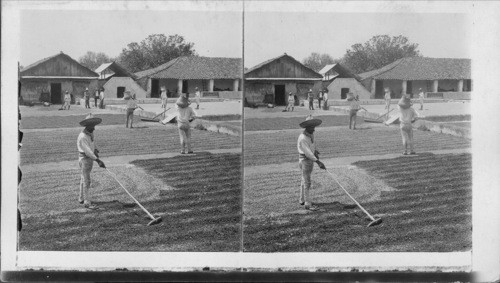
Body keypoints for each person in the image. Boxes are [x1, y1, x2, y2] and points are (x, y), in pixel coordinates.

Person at [77, 113, 106, 209]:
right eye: (92, 126)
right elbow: (88, 151)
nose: (94, 128)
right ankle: (86, 202)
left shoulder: (90, 133)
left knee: (83, 178)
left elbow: (93, 144)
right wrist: (98, 161)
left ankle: (81, 198)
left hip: (89, 159)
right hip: (85, 159)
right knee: (86, 180)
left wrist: (96, 150)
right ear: (87, 126)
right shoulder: (83, 137)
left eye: (94, 126)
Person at [297, 115, 326, 211]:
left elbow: (312, 146)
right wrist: (318, 162)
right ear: (307, 127)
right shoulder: (303, 138)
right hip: (305, 161)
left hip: (308, 160)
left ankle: (302, 199)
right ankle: (308, 204)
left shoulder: (310, 135)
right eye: (311, 127)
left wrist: (316, 151)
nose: (314, 129)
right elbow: (308, 153)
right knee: (307, 182)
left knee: (303, 180)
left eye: (314, 127)